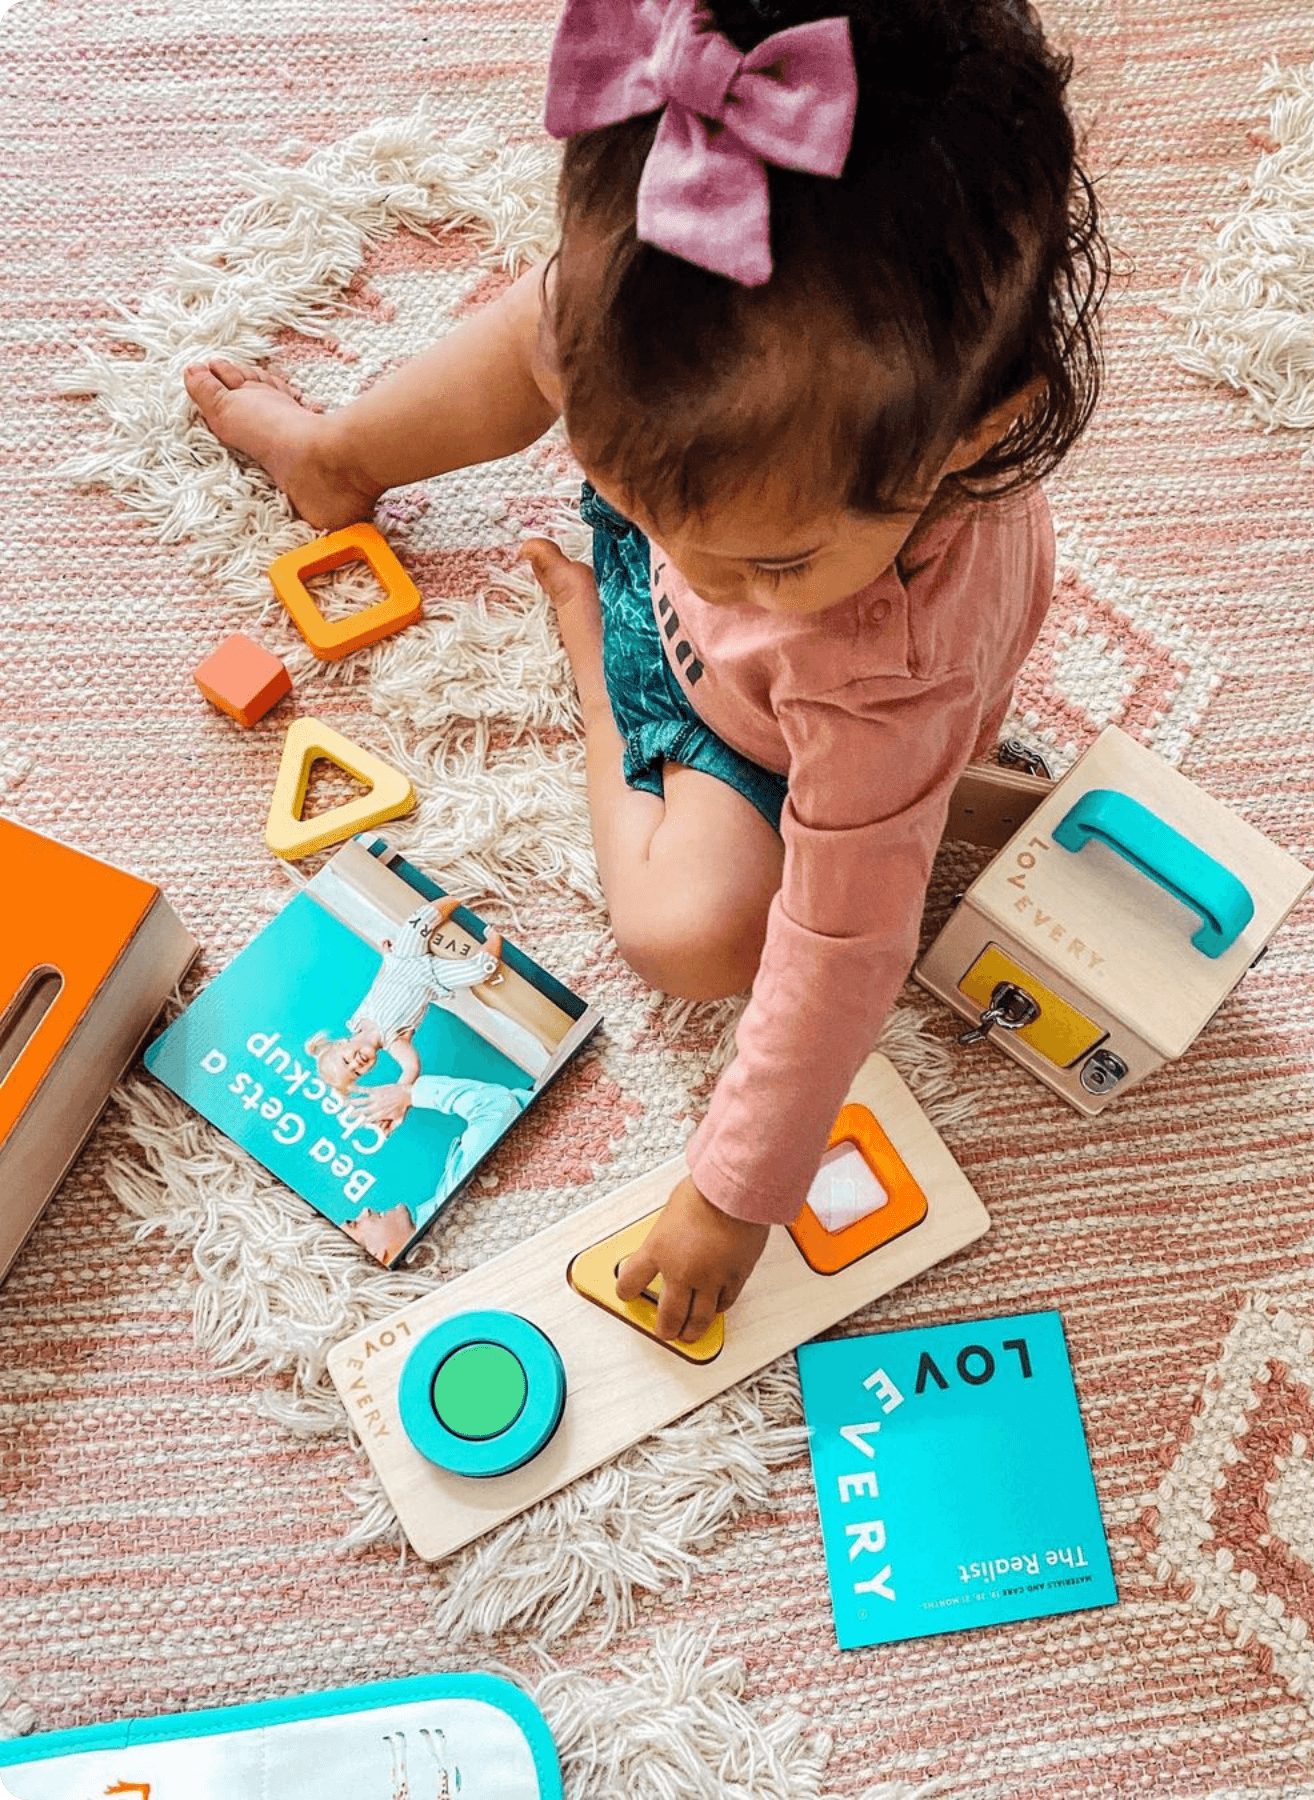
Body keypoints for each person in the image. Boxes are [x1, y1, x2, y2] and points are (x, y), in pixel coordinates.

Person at [184, 0, 1108, 1345]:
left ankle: (599, 677)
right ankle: (334, 460)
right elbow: (553, 362)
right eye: (625, 489)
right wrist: (363, 447)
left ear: (975, 438)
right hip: (738, 518)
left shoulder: (885, 680)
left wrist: (734, 1198)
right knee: (541, 339)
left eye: (771, 562)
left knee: (697, 941)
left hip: (769, 729)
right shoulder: (660, 303)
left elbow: (848, 948)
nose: (681, 558)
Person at [305, 897, 505, 1097]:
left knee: (417, 922)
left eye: (346, 1061)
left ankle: (459, 897)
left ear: (342, 1043)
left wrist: (387, 960)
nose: (357, 1063)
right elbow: (412, 1067)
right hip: (433, 978)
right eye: (357, 1072)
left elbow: (378, 986)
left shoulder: (357, 1020)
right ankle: (495, 933)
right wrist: (400, 1092)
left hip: (402, 960)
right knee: (481, 970)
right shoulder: (395, 1043)